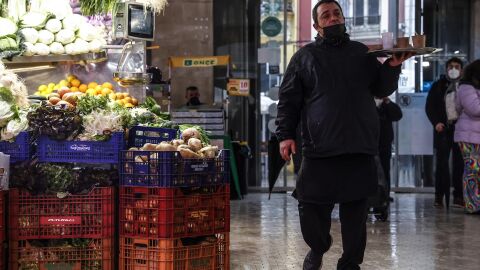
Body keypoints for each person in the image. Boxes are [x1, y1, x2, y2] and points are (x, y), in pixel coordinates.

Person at [275, 1, 412, 269]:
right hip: (319, 148)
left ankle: (350, 264)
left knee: (356, 216)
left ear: (344, 18)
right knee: (311, 206)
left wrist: (393, 66)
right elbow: (288, 100)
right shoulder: (304, 57)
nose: (333, 18)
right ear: (316, 26)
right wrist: (285, 135)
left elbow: (380, 88)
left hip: (358, 146)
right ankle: (318, 247)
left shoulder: (361, 53)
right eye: (326, 15)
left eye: (336, 13)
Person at [425, 57, 464, 208]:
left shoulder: (465, 86)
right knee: (442, 164)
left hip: (460, 129)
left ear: (461, 70)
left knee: (459, 164)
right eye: (450, 67)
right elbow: (430, 107)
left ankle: (458, 195)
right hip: (443, 130)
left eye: (456, 66)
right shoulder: (438, 86)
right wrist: (436, 123)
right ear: (446, 69)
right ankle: (439, 195)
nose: (453, 69)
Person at [453, 59, 480, 213]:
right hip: (469, 137)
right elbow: (475, 109)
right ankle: (472, 205)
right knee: (473, 170)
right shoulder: (466, 88)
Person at [376, 97, 403, 202]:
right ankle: (371, 195)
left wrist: (387, 102)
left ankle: (384, 194)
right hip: (370, 141)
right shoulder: (366, 102)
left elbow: (398, 115)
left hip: (384, 142)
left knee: (385, 169)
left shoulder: (386, 104)